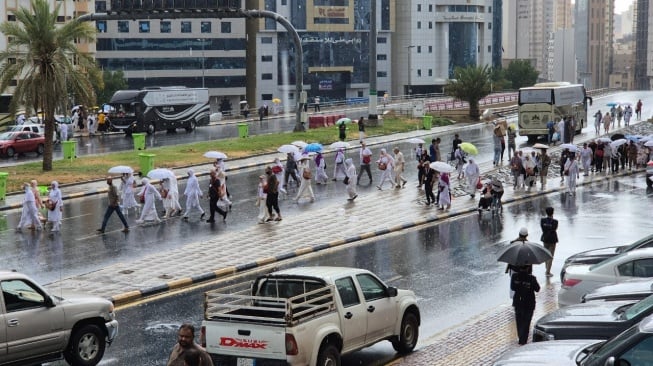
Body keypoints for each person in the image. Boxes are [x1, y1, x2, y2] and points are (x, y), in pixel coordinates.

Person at [511, 265, 540, 345]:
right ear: (528, 268)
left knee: (519, 321)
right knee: (526, 322)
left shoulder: (514, 276)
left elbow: (513, 288)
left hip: (518, 302)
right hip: (529, 303)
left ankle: (521, 337)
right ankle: (523, 340)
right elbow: (537, 289)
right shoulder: (532, 278)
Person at [540, 207, 559, 277]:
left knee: (546, 254)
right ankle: (548, 272)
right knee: (551, 256)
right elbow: (555, 229)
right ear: (552, 212)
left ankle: (547, 269)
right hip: (552, 239)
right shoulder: (555, 221)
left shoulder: (542, 220)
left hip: (545, 238)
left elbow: (543, 229)